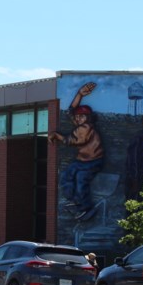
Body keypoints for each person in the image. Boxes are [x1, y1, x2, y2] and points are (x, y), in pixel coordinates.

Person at [48, 82, 104, 221]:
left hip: (92, 162)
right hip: (81, 161)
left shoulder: (85, 127)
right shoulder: (80, 124)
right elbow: (71, 110)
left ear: (88, 118)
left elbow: (71, 141)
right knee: (66, 177)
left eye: (82, 116)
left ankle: (87, 207)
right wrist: (79, 94)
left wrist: (56, 135)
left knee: (81, 180)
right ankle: (76, 201)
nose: (78, 118)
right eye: (78, 117)